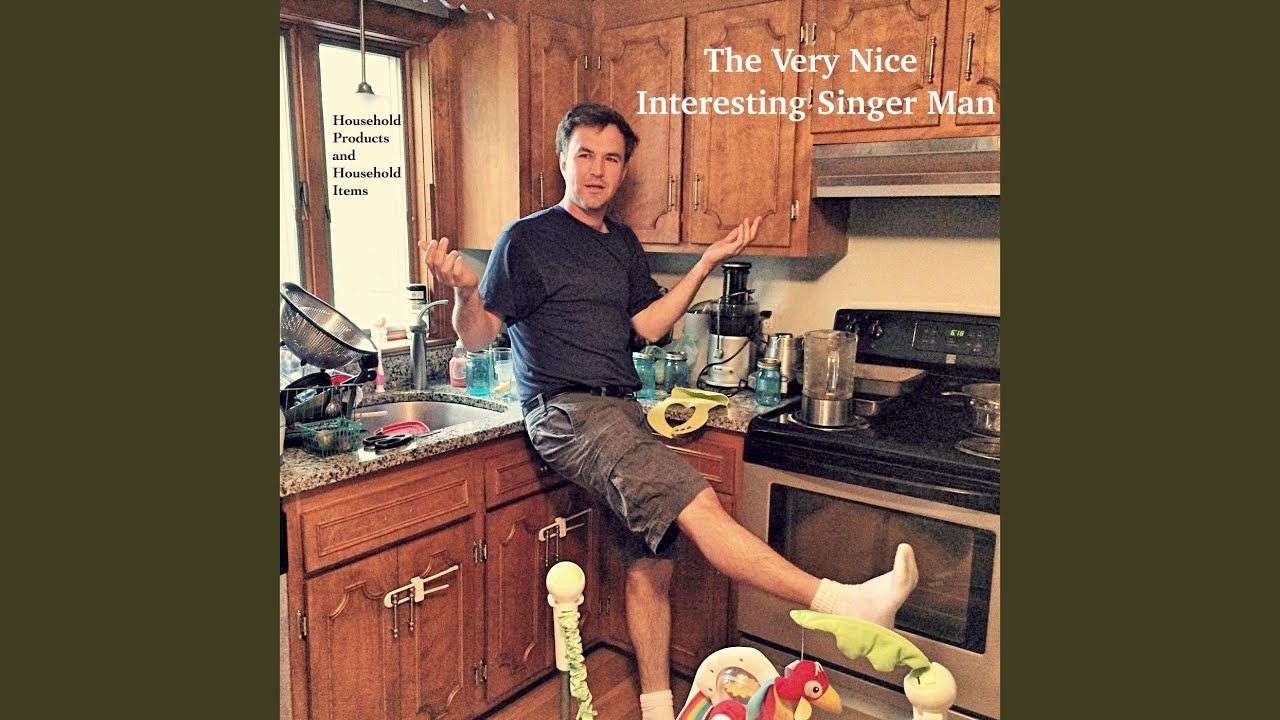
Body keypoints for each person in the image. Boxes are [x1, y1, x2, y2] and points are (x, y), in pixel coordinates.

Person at [422, 102, 918, 720]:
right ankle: (844, 604)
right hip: (567, 412)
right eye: (585, 155)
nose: (597, 170)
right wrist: (465, 292)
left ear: (623, 168)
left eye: (611, 158)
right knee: (698, 503)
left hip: (620, 412)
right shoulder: (525, 239)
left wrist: (706, 263)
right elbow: (477, 335)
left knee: (651, 564)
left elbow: (650, 326)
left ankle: (656, 709)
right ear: (563, 160)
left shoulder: (622, 244)